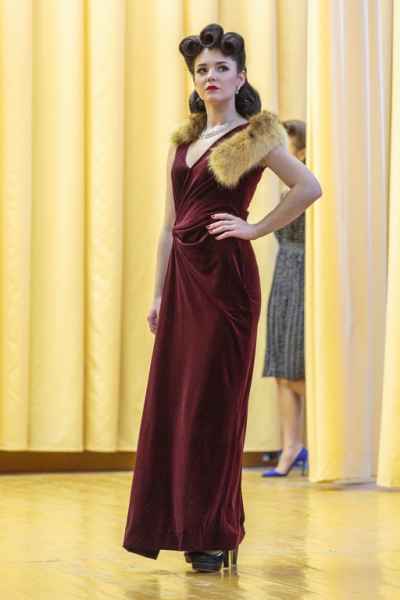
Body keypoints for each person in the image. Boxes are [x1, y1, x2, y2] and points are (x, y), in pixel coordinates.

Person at [123, 23, 322, 573]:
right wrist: (157, 292)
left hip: (226, 284)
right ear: (195, 80)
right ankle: (177, 525)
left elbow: (309, 187)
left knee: (213, 406)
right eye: (202, 70)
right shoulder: (183, 143)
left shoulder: (255, 136)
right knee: (176, 403)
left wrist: (254, 228)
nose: (210, 76)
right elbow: (169, 225)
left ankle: (213, 530)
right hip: (183, 284)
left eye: (220, 68)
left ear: (240, 78)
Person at [261, 120, 308, 478]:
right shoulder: (290, 182)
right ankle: (291, 447)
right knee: (281, 367)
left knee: (296, 369)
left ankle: (314, 445)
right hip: (285, 272)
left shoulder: (308, 182)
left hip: (303, 273)